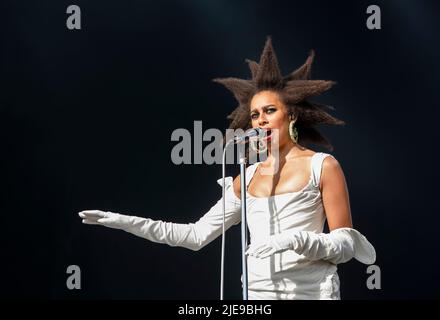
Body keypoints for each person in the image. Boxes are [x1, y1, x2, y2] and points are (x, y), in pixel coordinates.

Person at [78, 37, 376, 300]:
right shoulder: (244, 178)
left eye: (270, 110)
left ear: (292, 116)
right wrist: (120, 220)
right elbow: (194, 236)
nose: (260, 120)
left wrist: (294, 240)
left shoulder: (321, 166)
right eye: (255, 114)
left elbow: (346, 244)